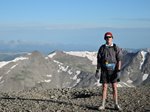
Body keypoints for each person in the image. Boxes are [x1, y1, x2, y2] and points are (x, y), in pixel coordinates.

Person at [95, 32, 122, 111]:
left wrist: (119, 71)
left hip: (114, 71)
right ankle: (102, 105)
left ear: (112, 38)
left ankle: (116, 104)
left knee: (114, 87)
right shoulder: (102, 48)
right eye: (107, 37)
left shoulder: (116, 47)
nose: (108, 38)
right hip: (104, 71)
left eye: (109, 37)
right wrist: (97, 70)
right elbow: (99, 60)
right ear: (105, 38)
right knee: (104, 87)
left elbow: (119, 60)